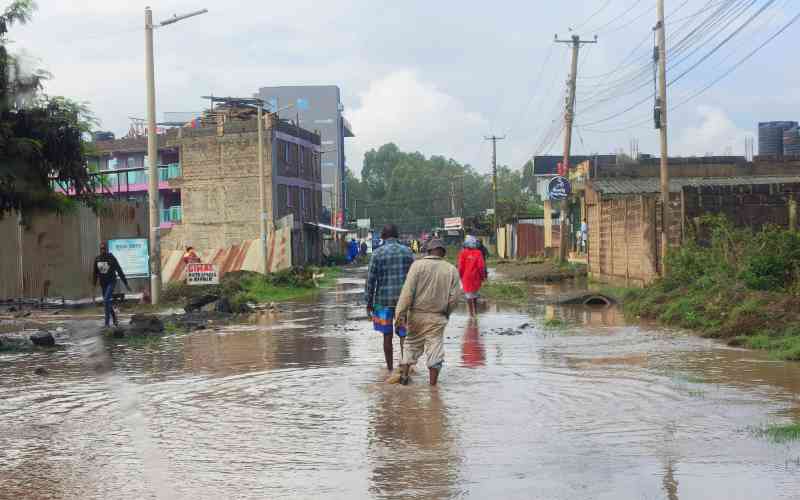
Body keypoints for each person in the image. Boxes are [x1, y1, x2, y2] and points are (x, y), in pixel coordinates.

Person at [395, 239, 461, 386]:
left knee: (410, 345)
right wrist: (446, 312)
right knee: (435, 349)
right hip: (438, 317)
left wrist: (399, 315)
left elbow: (407, 293)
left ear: (428, 251)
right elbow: (455, 298)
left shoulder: (417, 266)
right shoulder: (451, 270)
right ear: (443, 252)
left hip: (416, 315)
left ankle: (404, 377)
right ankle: (433, 388)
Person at [365, 224, 415, 372]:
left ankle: (390, 369)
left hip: (382, 302)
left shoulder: (377, 254)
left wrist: (368, 303)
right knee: (404, 335)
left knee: (387, 336)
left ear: (383, 237)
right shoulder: (407, 252)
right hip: (404, 302)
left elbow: (370, 280)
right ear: (397, 236)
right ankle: (406, 367)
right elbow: (413, 278)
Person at [93, 242, 131, 328]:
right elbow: (95, 273)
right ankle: (114, 317)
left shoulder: (111, 258)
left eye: (104, 248)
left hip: (111, 282)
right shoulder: (97, 259)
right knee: (107, 302)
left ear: (107, 249)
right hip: (103, 284)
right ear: (100, 249)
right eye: (101, 249)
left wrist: (126, 283)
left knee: (106, 300)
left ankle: (107, 323)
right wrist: (94, 286)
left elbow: (119, 270)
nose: (103, 250)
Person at [458, 236, 486, 317]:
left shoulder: (463, 253)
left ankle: (471, 314)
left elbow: (460, 267)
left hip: (466, 277)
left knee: (468, 295)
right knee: (475, 294)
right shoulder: (478, 253)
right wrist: (482, 276)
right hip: (476, 277)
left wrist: (460, 276)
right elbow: (481, 267)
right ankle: (475, 312)